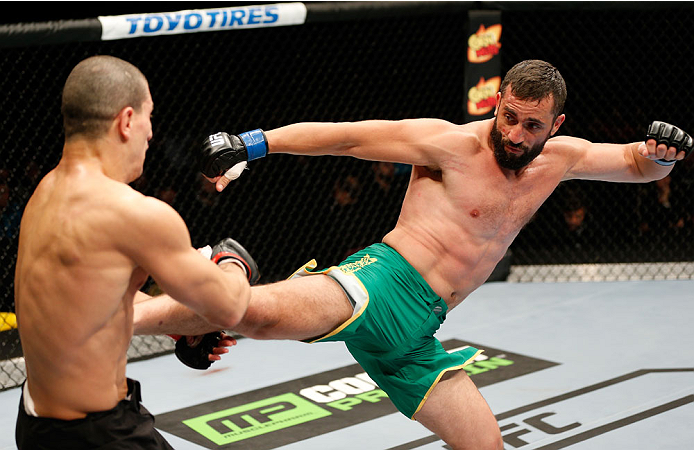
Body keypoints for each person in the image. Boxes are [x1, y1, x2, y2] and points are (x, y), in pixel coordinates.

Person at [133, 59, 693, 450]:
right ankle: (126, 313)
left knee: (485, 445)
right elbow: (348, 136)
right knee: (255, 312)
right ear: (498, 102)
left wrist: (664, 154)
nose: (516, 135)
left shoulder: (562, 157)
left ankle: (201, 305)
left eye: (532, 126)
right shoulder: (449, 144)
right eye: (509, 116)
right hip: (385, 283)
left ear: (556, 125)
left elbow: (639, 165)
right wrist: (254, 142)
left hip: (420, 331)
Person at [14, 55, 258, 449]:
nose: (150, 134)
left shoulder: (44, 195)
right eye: (149, 116)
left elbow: (96, 299)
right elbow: (229, 307)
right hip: (98, 434)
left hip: (37, 424)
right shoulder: (132, 213)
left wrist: (183, 325)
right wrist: (231, 262)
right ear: (126, 121)